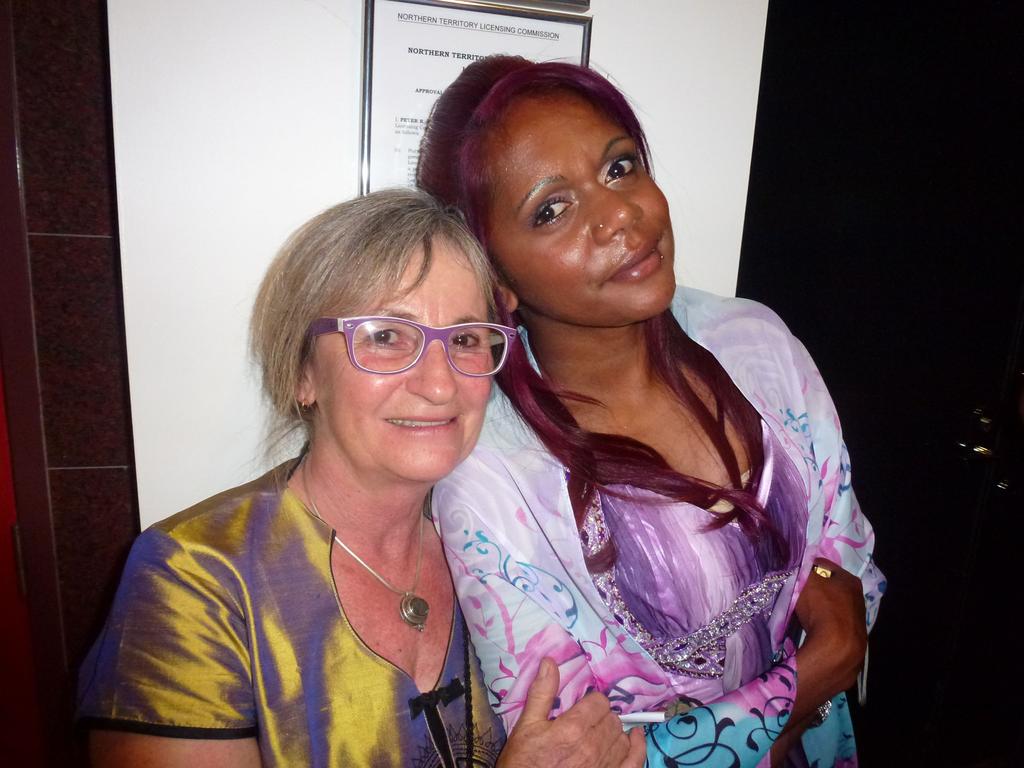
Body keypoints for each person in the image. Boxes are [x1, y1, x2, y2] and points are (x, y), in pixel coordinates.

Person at [417, 56, 885, 767]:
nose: (620, 216)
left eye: (619, 167)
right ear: (497, 278)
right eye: (551, 209)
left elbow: (848, 561)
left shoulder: (755, 342)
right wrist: (804, 682)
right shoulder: (494, 480)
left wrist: (830, 637)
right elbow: (578, 751)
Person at [76, 189, 646, 767]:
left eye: (466, 339)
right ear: (303, 373)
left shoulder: (506, 545)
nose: (440, 384)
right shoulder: (194, 581)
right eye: (385, 336)